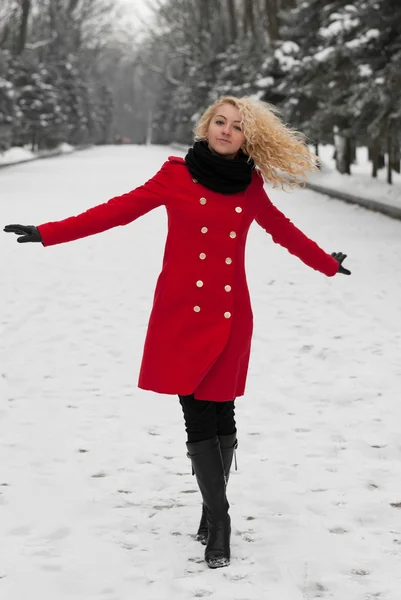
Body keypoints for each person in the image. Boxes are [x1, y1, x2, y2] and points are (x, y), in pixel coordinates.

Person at [3, 96, 351, 569]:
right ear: (206, 127)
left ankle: (214, 514)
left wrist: (327, 263)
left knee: (223, 412)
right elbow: (117, 210)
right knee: (197, 417)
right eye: (220, 122)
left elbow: (281, 229)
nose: (226, 131)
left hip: (230, 314)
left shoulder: (248, 185)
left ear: (249, 137)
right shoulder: (175, 175)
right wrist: (49, 232)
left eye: (237, 126)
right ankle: (220, 516)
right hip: (182, 315)